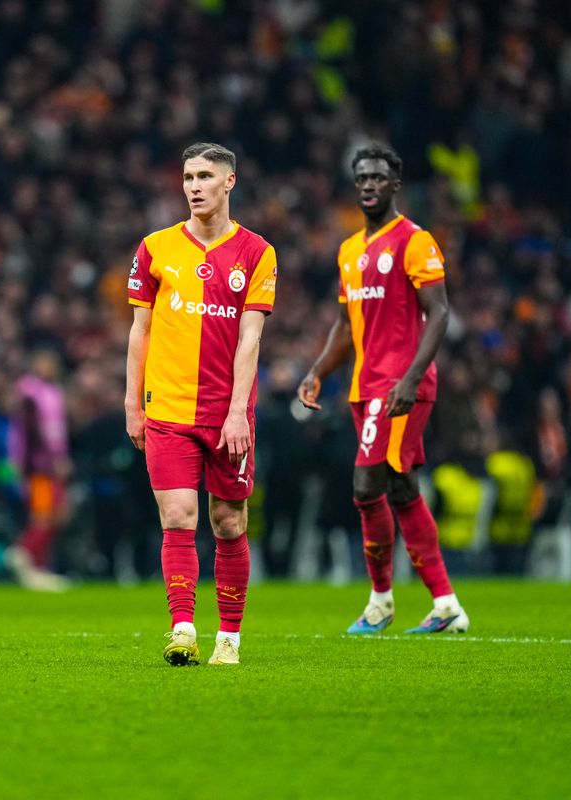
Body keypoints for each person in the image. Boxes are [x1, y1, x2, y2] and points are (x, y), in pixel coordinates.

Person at [297, 143, 470, 634]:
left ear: (395, 184)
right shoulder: (350, 250)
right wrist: (318, 372)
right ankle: (446, 606)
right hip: (364, 387)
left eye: (378, 177)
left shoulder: (414, 241)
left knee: (365, 484)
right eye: (361, 179)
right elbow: (344, 326)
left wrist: (412, 379)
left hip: (399, 387)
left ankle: (380, 601)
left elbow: (439, 312)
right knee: (400, 487)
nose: (369, 185)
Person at [125, 142, 277, 666]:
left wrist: (238, 412)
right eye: (188, 176)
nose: (193, 186)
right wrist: (131, 402)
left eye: (205, 176)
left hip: (226, 414)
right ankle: (183, 629)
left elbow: (251, 339)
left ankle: (229, 637)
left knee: (229, 523)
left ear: (229, 182)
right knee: (178, 515)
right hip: (166, 408)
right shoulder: (155, 248)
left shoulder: (257, 253)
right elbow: (139, 330)